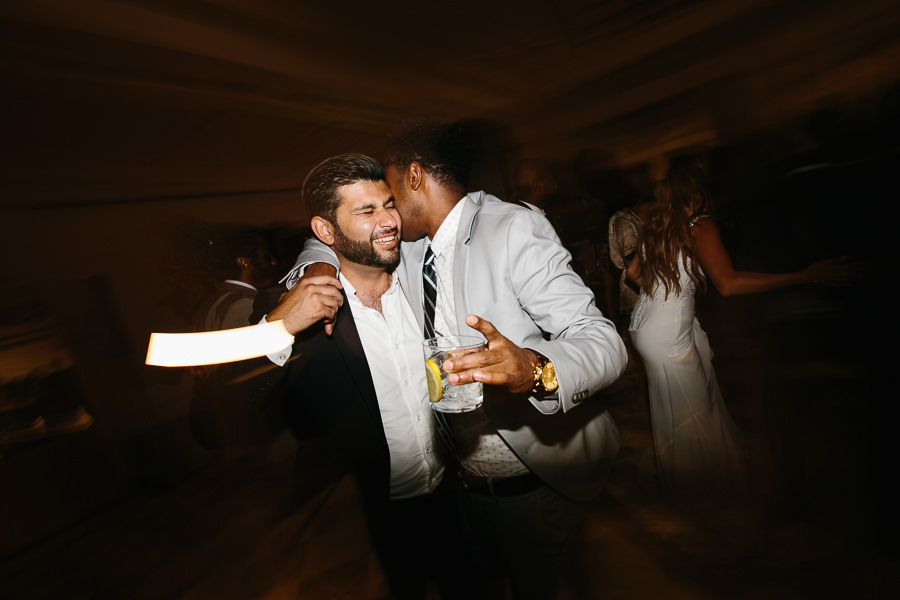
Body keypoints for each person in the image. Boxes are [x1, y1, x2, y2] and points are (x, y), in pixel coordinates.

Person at [288, 119, 627, 600]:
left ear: (413, 176)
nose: (385, 209)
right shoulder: (405, 247)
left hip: (530, 484)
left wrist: (534, 369)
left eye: (389, 189)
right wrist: (316, 265)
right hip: (460, 491)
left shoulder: (511, 228)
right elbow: (333, 233)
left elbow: (604, 342)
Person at [249, 153, 473, 600]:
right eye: (366, 211)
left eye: (388, 203)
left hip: (459, 493)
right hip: (372, 509)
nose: (389, 219)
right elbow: (227, 407)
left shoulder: (420, 276)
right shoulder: (295, 307)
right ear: (325, 231)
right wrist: (279, 328)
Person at [626, 154, 860, 508]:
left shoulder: (658, 225)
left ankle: (683, 473)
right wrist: (805, 276)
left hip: (645, 327)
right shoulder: (698, 224)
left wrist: (667, 293)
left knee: (674, 404)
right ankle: (702, 489)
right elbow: (729, 284)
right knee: (693, 409)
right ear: (696, 192)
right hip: (668, 334)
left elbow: (633, 274)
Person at [188, 229, 281, 455]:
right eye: (265, 256)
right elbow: (249, 373)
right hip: (249, 420)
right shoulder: (245, 305)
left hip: (225, 416)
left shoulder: (207, 305)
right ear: (244, 262)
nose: (273, 261)